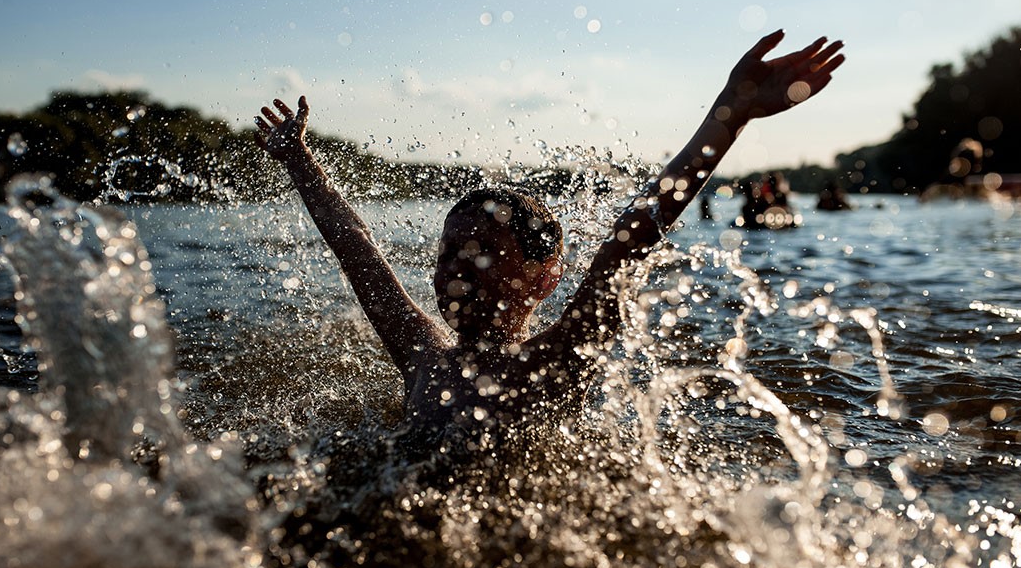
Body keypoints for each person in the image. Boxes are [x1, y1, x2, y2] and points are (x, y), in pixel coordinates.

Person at [254, 30, 844, 459]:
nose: (455, 269)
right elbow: (357, 251)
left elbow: (632, 237)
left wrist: (730, 116)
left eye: (482, 251)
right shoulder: (421, 355)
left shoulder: (554, 361)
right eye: (447, 253)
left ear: (545, 277)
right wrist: (302, 164)